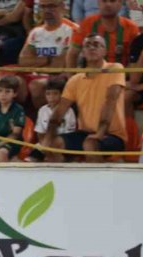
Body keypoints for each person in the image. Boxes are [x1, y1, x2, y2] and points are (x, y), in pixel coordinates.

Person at [42, 34, 127, 162]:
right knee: (53, 145)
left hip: (113, 135)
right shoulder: (75, 79)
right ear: (83, 52)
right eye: (87, 45)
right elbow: (59, 111)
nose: (92, 48)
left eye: (96, 45)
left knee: (90, 144)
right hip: (85, 133)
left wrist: (100, 133)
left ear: (104, 51)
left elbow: (111, 101)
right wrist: (48, 137)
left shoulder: (115, 68)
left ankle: (95, 181)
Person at [17, 0, 77, 110]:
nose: (47, 10)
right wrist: (48, 60)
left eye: (51, 6)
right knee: (13, 83)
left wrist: (36, 61)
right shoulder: (36, 32)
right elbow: (22, 61)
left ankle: (45, 121)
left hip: (60, 76)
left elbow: (58, 65)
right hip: (36, 75)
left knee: (36, 86)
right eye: (43, 7)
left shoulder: (72, 30)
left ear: (63, 7)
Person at [67, 0, 139, 68]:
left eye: (112, 0)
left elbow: (135, 60)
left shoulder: (131, 27)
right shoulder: (87, 23)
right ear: (98, 3)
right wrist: (72, 79)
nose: (108, 4)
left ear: (120, 3)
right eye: (104, 1)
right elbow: (72, 54)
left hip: (121, 77)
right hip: (91, 77)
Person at [26, 76, 76, 161]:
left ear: (62, 94)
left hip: (62, 144)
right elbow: (40, 132)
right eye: (48, 94)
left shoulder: (68, 111)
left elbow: (69, 133)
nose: (51, 97)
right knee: (31, 159)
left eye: (55, 93)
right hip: (45, 142)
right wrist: (45, 145)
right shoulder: (42, 110)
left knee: (56, 156)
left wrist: (51, 143)